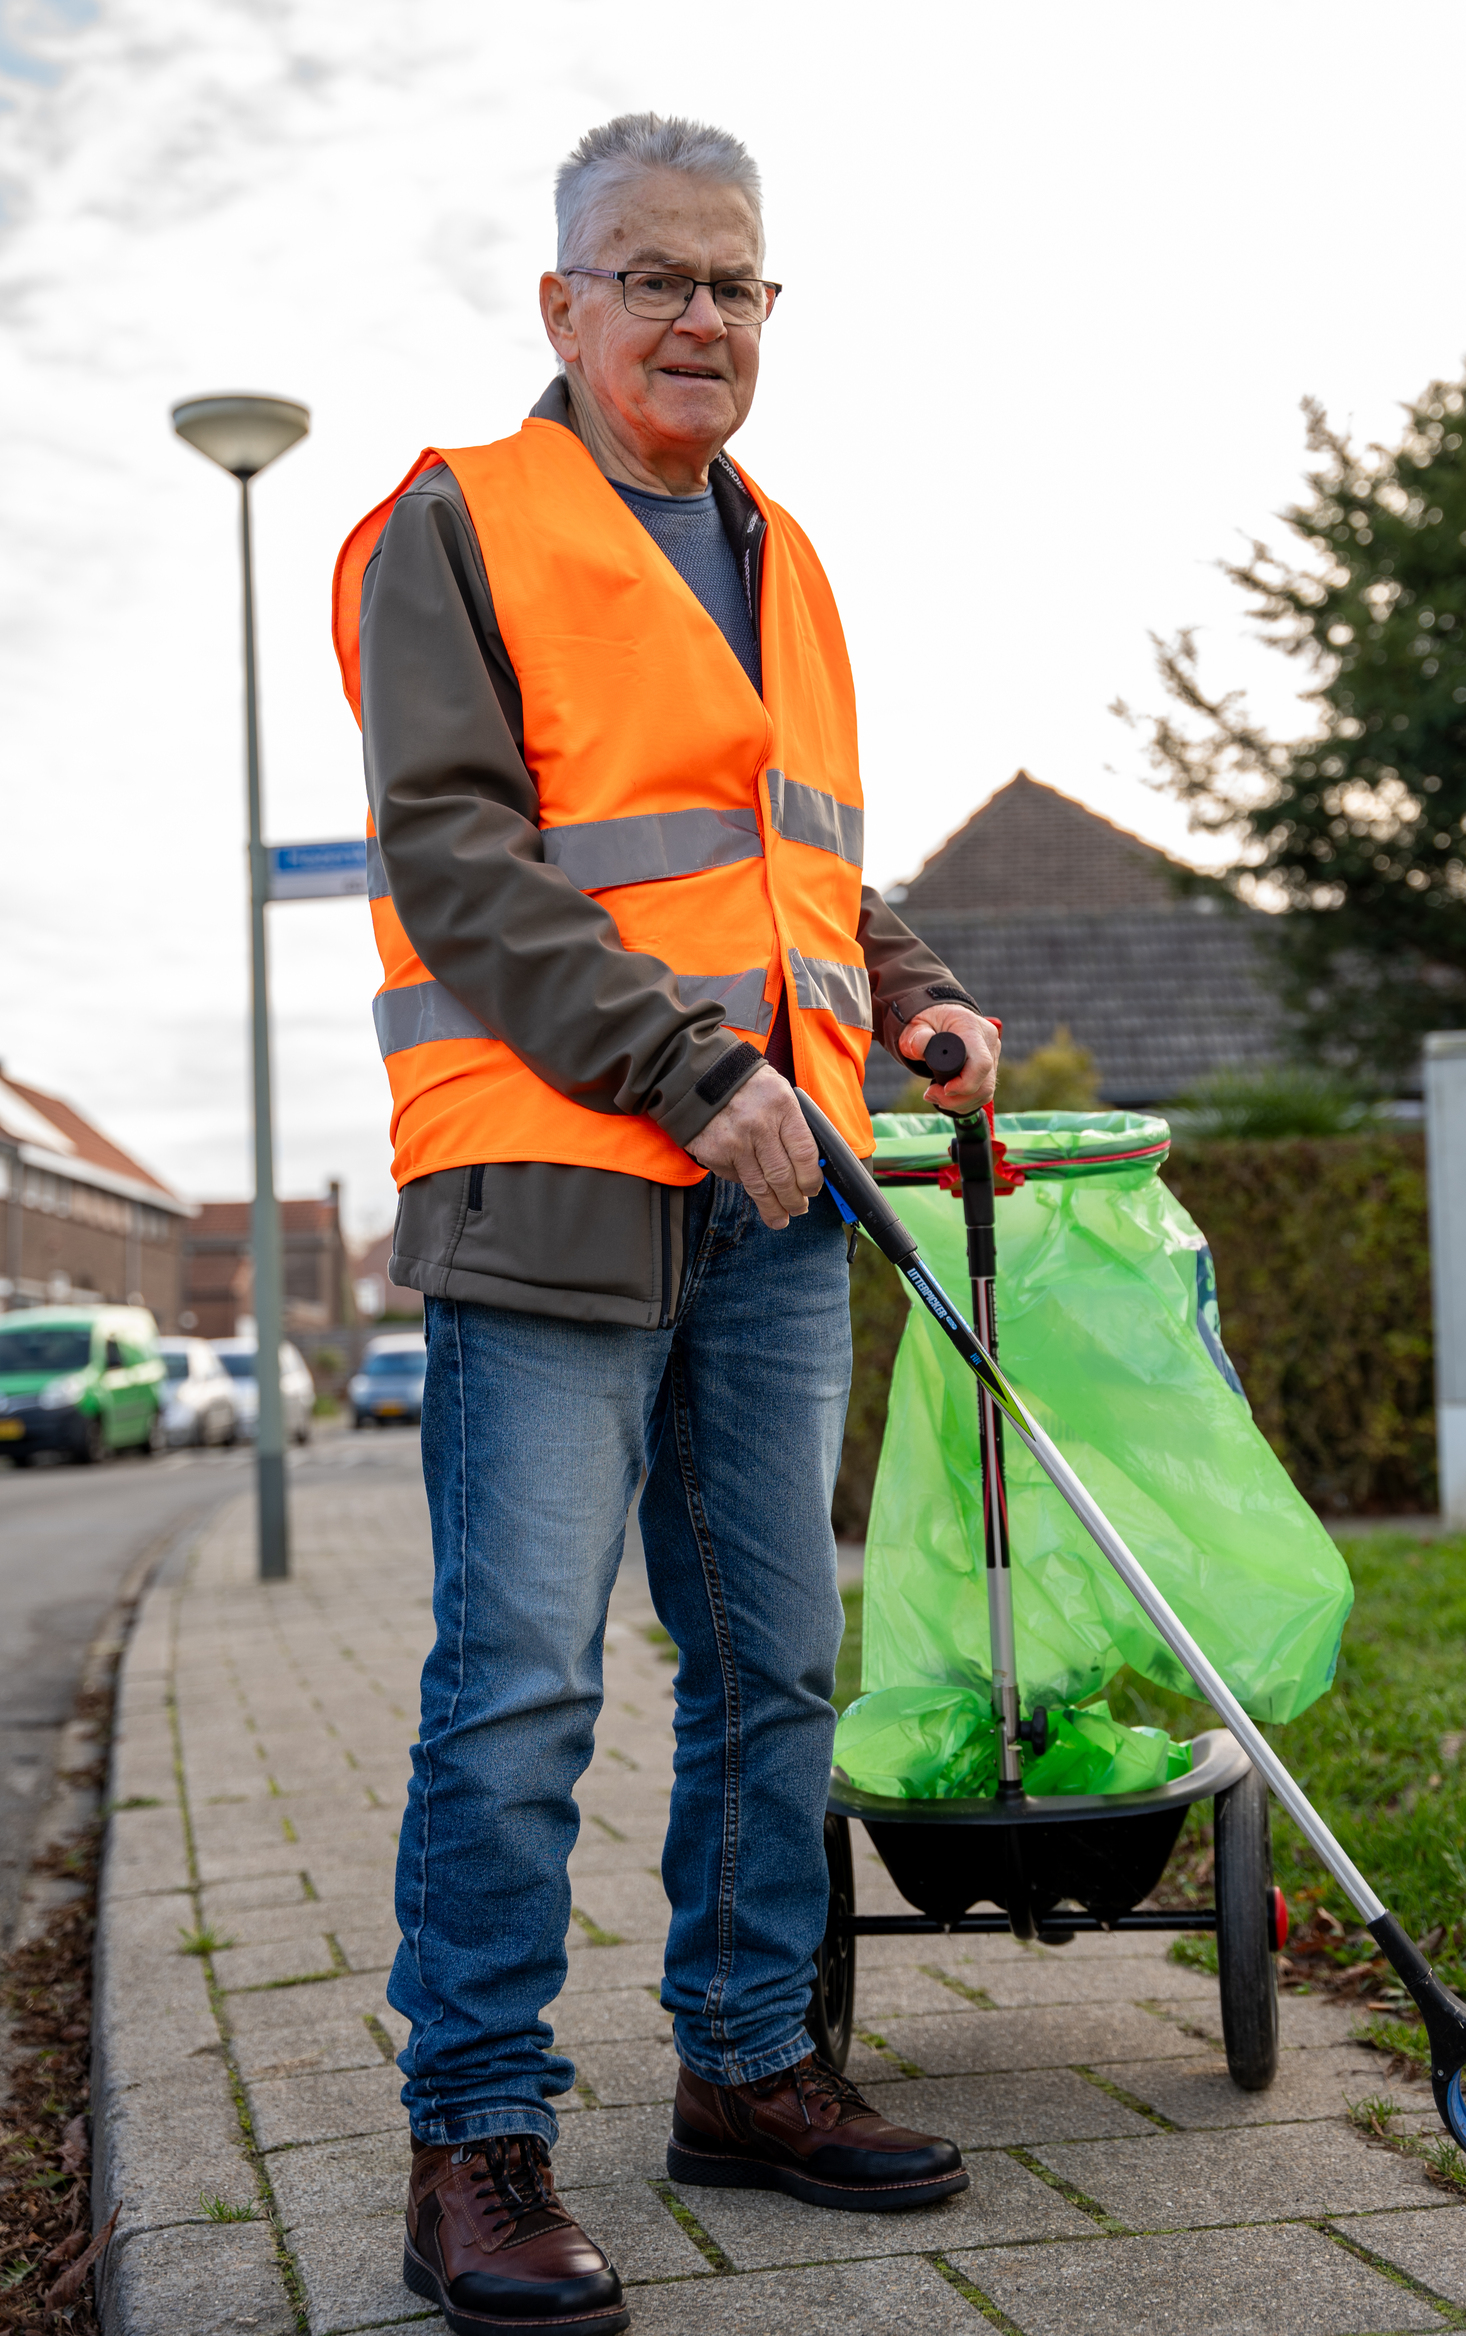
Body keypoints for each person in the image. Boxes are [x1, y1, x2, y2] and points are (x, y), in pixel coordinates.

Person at [333, 112, 1002, 2336]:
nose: (697, 315)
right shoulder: (460, 522)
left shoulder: (777, 547)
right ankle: (477, 2136)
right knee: (518, 1685)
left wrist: (903, 996)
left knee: (772, 1665)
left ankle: (744, 2067)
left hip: (780, 1196)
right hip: (556, 1184)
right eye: (651, 276)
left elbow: (794, 857)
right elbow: (459, 854)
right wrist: (688, 1068)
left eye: (734, 281)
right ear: (560, 302)